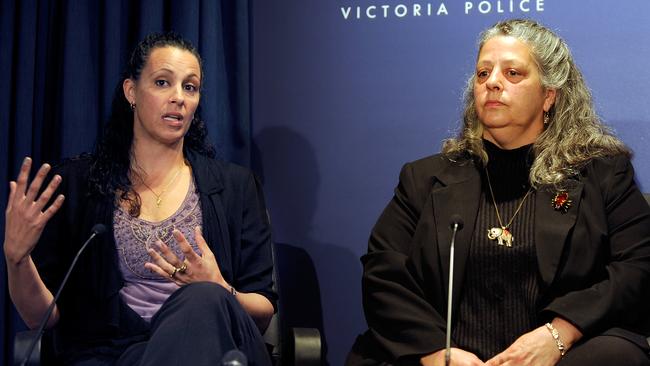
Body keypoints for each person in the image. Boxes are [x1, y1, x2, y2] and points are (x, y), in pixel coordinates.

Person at [347, 19, 650, 366]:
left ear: (548, 95)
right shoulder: (425, 178)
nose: (492, 82)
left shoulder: (602, 173)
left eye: (513, 74)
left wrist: (559, 334)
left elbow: (637, 268)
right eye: (483, 73)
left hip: (562, 356)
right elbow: (383, 273)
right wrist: (436, 353)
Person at [4, 33, 276, 365]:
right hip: (113, 354)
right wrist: (17, 260)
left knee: (204, 297)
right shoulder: (78, 186)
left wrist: (220, 286)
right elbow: (41, 318)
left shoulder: (236, 186)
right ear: (131, 91)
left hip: (219, 345)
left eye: (189, 88)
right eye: (163, 83)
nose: (178, 98)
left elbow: (262, 312)